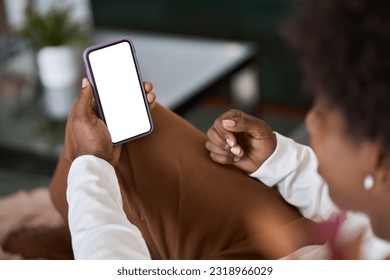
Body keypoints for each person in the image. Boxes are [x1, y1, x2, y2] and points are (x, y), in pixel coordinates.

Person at [50, 0, 390, 259]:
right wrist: (277, 159)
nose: (311, 121)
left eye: (325, 115)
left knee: (91, 148)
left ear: (375, 158)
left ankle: (62, 223)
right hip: (299, 238)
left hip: (282, 249)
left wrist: (92, 162)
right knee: (124, 126)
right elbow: (356, 205)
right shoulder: (376, 211)